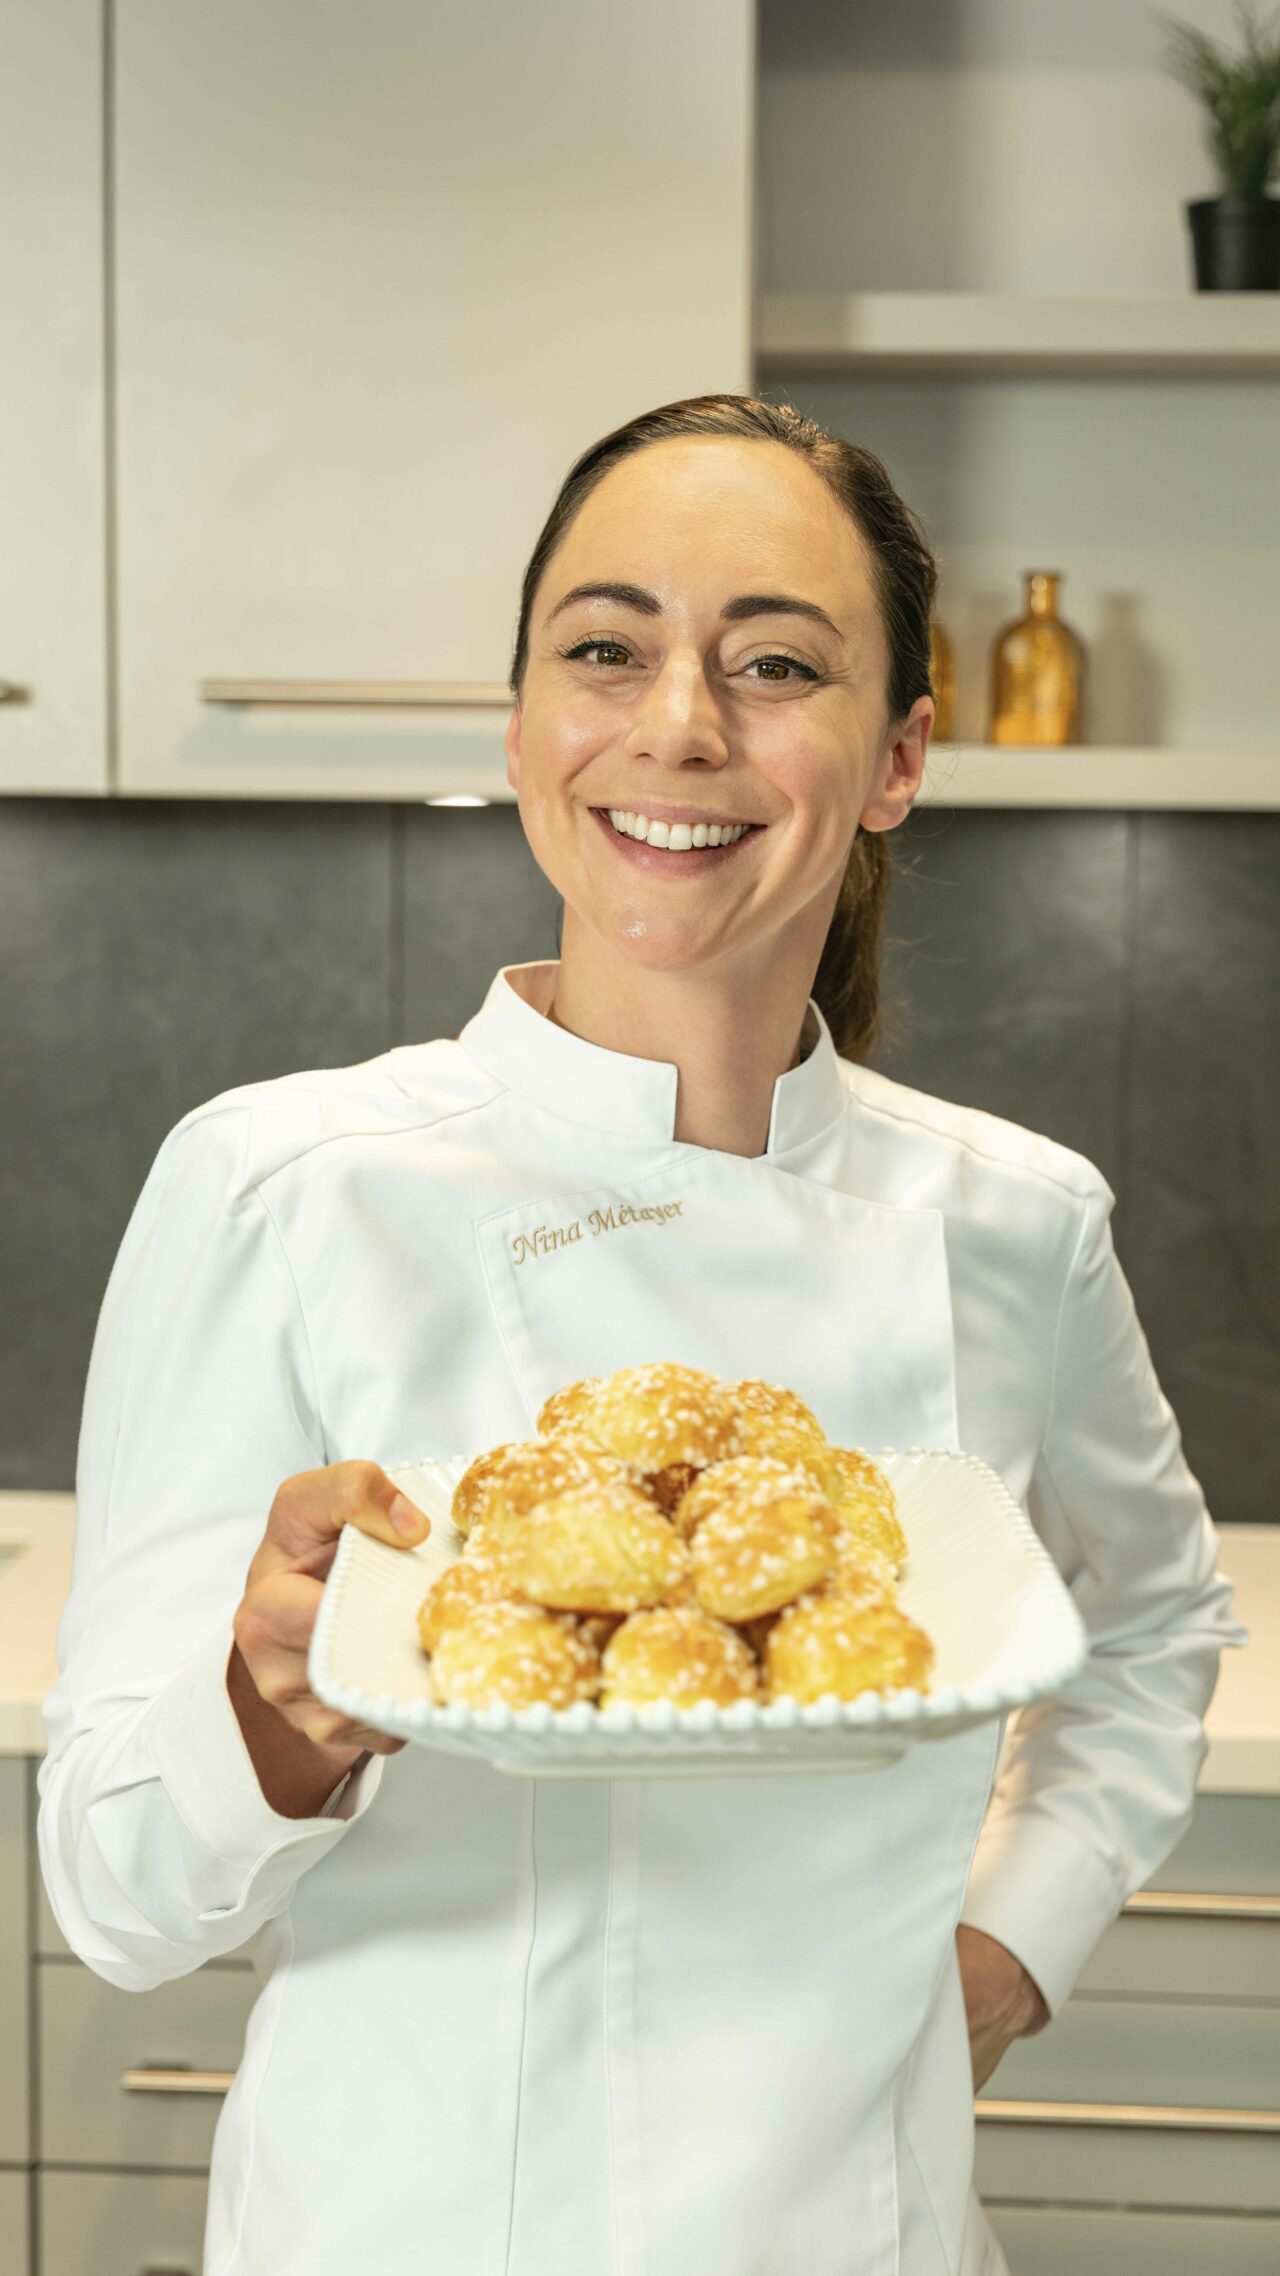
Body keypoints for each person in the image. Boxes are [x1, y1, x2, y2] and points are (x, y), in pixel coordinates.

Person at [37, 394, 1246, 2276]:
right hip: (407, 2228)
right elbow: (111, 1897)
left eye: (775, 663)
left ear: (904, 753)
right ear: (524, 725)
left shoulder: (1015, 1222)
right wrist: (271, 1725)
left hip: (870, 2233)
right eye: (606, 648)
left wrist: (1021, 1938)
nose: (679, 721)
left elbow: (1160, 1619)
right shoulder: (286, 1183)